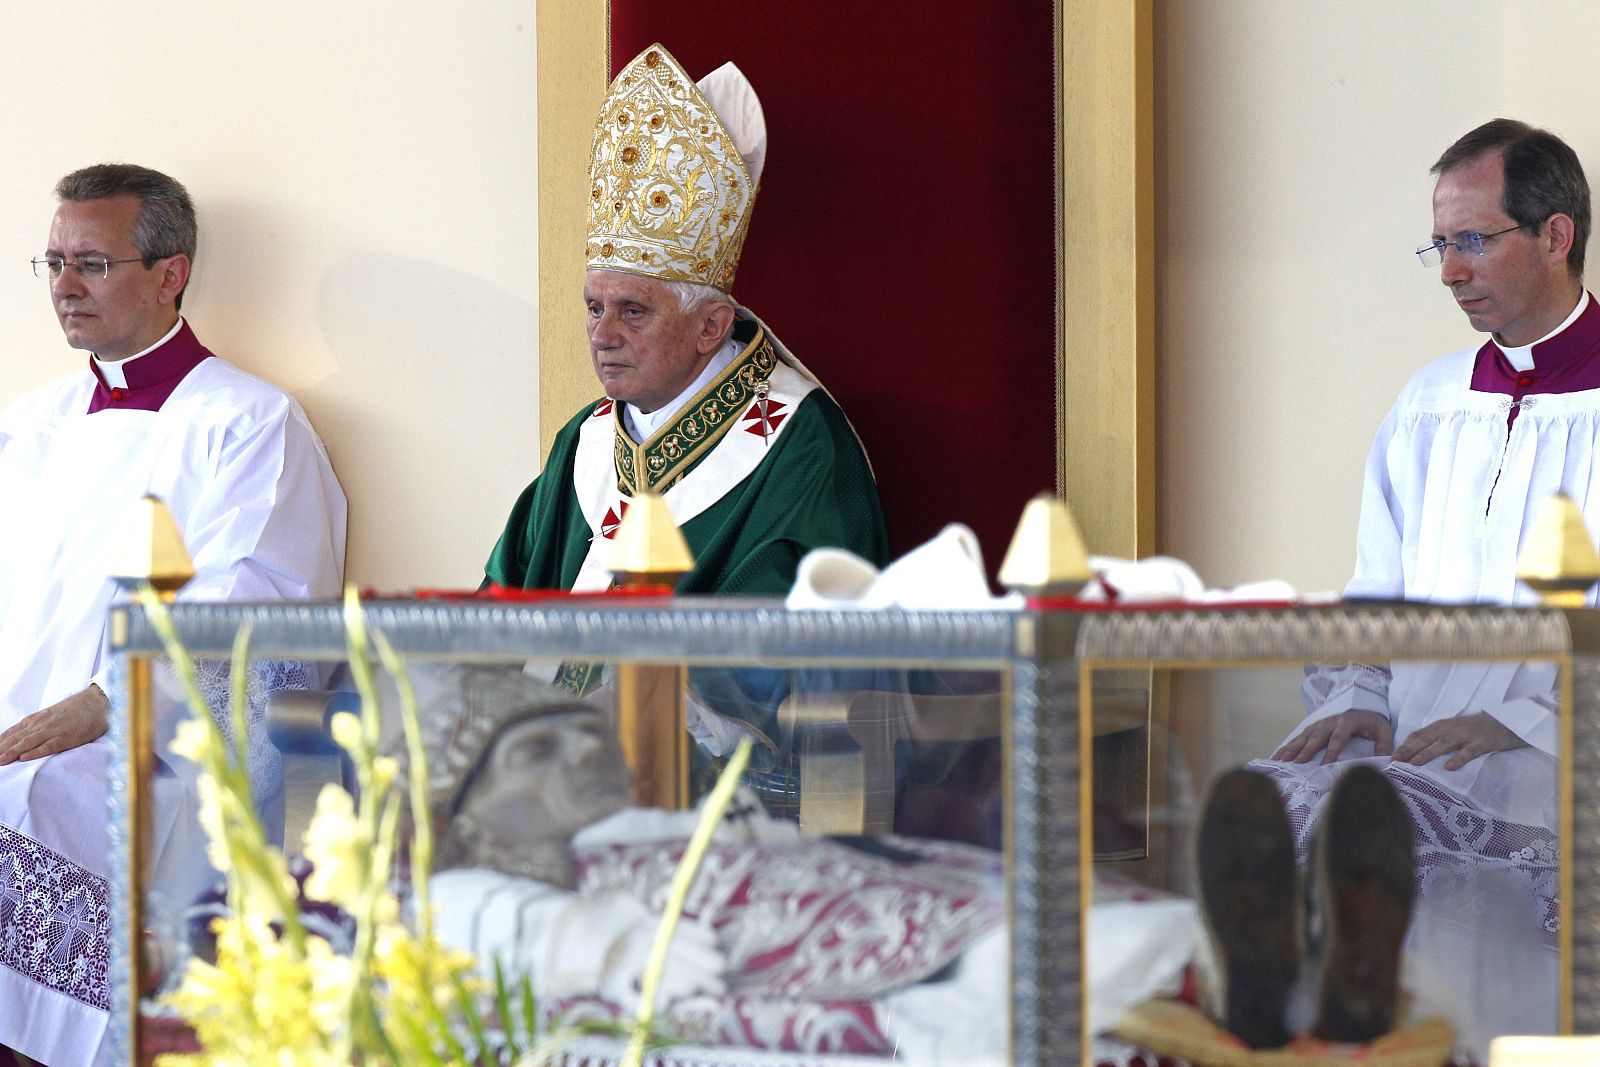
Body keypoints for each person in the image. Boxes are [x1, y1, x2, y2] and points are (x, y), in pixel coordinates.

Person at [0, 164, 347, 1066]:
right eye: (53, 263)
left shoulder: (249, 424)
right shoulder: (27, 426)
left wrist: (110, 698)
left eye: (92, 263)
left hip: (144, 746)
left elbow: (259, 614)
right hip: (17, 725)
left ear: (169, 273)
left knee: (22, 812)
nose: (66, 286)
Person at [1259, 118, 1591, 1048]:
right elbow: (1377, 586)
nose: (1449, 269)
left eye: (1473, 241)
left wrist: (1523, 721)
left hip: (1558, 769)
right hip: (1414, 759)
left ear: (1556, 234)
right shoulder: (1431, 404)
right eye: (1440, 244)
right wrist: (1361, 691)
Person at [485, 44, 888, 599]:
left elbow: (790, 658)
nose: (603, 336)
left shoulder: (801, 449)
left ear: (712, 326)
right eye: (594, 308)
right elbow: (493, 608)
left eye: (633, 311)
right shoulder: (586, 440)